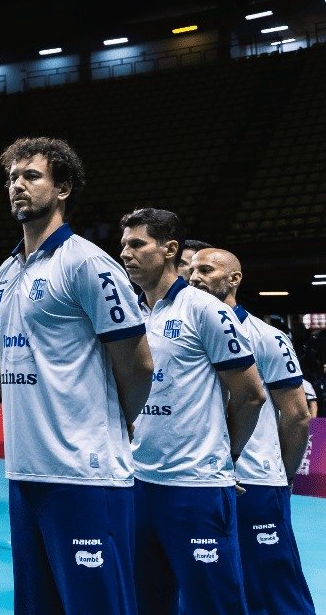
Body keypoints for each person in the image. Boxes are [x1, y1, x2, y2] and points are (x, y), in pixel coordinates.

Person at [0, 138, 155, 613]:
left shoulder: (87, 262)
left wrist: (116, 425)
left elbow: (138, 362)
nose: (17, 186)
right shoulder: (6, 272)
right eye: (11, 178)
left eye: (31, 176)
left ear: (63, 188)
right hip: (25, 471)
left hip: (86, 474)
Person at [119, 209, 265, 612]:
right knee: (148, 601)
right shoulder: (131, 313)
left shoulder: (204, 309)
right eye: (123, 246)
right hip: (139, 482)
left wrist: (228, 457)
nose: (125, 254)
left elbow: (251, 394)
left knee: (213, 603)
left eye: (136, 244)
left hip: (196, 486)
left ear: (169, 250)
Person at [189, 247, 315, 613]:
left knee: (273, 588)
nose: (195, 277)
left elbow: (296, 417)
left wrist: (280, 478)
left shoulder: (267, 336)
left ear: (234, 279)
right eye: (192, 270)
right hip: (196, 480)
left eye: (207, 269)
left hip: (255, 482)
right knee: (208, 588)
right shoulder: (179, 331)